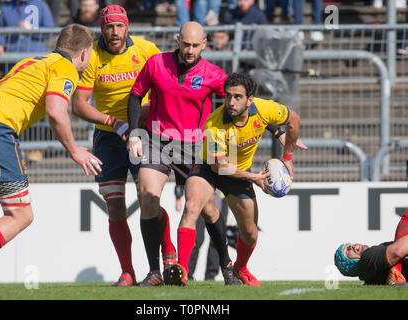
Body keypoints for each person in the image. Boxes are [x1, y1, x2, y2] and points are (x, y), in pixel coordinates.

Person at [0, 24, 100, 292]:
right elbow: (57, 112)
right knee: (21, 215)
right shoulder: (66, 68)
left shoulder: (34, 60)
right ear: (84, 53)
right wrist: (74, 150)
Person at [127, 21, 242, 287]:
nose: (189, 50)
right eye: (185, 44)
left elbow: (237, 100)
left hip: (195, 146)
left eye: (195, 45)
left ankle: (226, 263)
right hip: (157, 141)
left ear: (204, 44)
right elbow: (135, 96)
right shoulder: (156, 63)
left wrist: (270, 126)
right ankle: (155, 271)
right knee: (147, 199)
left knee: (205, 209)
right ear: (177, 40)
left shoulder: (214, 74)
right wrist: (135, 133)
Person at [71, 5, 172, 287]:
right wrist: (114, 121)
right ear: (101, 28)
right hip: (108, 137)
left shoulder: (146, 50)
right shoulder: (92, 56)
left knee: (148, 197)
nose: (114, 33)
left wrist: (148, 109)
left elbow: (168, 87)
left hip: (144, 133)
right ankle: (128, 271)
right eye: (108, 27)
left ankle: (169, 256)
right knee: (115, 207)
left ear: (127, 26)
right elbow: (78, 105)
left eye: (118, 26)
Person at [168, 73, 301, 286]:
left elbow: (293, 119)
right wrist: (254, 177)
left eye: (238, 97)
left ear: (250, 100)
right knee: (192, 206)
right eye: (228, 96)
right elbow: (218, 166)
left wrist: (287, 157)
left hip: (237, 171)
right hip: (208, 168)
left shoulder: (265, 109)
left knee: (250, 233)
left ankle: (240, 269)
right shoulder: (215, 123)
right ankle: (181, 269)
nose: (231, 102)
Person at [334, 212, 408, 286]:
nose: (351, 246)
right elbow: (397, 252)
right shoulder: (367, 257)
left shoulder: (370, 275)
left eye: (349, 245)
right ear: (349, 263)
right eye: (347, 251)